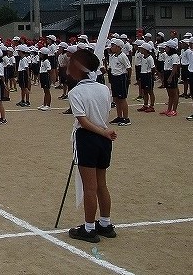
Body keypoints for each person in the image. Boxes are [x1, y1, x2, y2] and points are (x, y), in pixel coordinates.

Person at [67, 48, 117, 243]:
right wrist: (104, 132)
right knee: (101, 184)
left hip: (88, 138)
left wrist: (103, 131)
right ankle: (105, 223)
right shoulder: (104, 89)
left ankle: (89, 228)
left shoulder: (76, 92)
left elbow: (84, 121)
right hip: (103, 139)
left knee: (90, 186)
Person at [107, 39, 131, 126]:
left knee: (122, 99)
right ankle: (119, 116)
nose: (111, 47)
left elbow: (128, 68)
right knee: (116, 98)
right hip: (114, 78)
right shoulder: (113, 56)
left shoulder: (123, 56)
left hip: (121, 77)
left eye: (113, 46)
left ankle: (126, 118)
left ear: (118, 47)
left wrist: (128, 79)